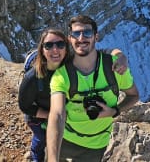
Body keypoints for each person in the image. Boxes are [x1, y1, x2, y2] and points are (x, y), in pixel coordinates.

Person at [18, 28, 128, 162]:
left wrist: (120, 56)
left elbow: (102, 53)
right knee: (42, 138)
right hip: (39, 117)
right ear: (42, 49)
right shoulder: (33, 78)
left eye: (60, 44)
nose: (55, 49)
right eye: (49, 45)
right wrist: (50, 115)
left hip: (64, 116)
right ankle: (36, 157)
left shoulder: (71, 62)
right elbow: (25, 106)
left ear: (66, 47)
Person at [46, 15, 140, 162]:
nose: (81, 38)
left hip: (96, 145)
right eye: (76, 34)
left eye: (87, 33)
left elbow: (134, 96)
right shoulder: (62, 75)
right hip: (66, 139)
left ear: (96, 37)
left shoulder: (115, 67)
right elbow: (57, 115)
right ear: (70, 38)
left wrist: (115, 111)